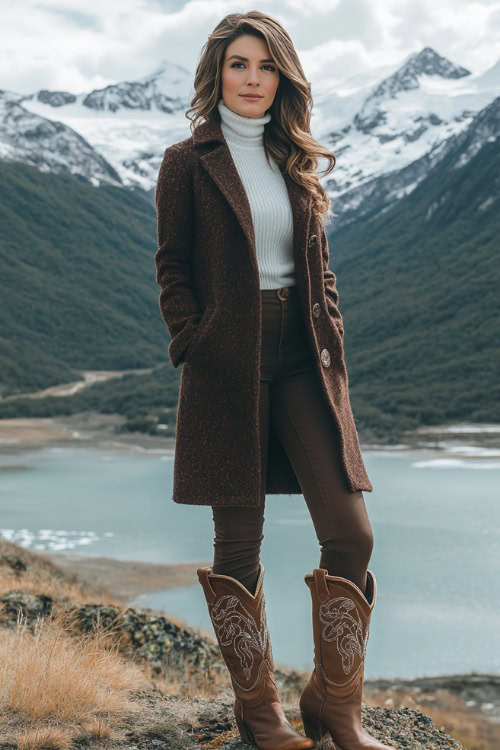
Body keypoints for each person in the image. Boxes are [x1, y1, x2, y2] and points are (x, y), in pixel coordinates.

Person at [154, 11, 393, 750]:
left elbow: (319, 272)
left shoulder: (297, 161)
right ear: (216, 74)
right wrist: (195, 340)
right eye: (239, 65)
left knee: (350, 535)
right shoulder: (187, 162)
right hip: (228, 363)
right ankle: (260, 717)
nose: (253, 79)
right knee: (239, 543)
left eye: (265, 66)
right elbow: (172, 267)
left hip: (305, 360)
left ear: (283, 77)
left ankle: (333, 705)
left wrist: (332, 328)